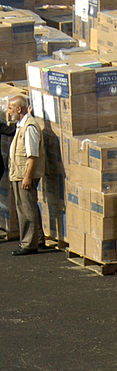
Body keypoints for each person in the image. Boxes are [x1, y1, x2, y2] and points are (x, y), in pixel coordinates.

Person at [7, 95, 45, 256]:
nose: (8, 112)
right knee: (28, 206)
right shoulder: (21, 125)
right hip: (19, 173)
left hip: (24, 174)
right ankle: (38, 239)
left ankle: (29, 244)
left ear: (19, 109)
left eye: (10, 108)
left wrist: (28, 177)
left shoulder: (29, 127)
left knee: (26, 209)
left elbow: (33, 155)